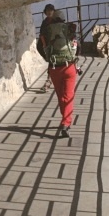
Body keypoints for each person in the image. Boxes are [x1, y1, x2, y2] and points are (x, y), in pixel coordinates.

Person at [40, 9, 78, 139]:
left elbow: (41, 47)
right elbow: (76, 45)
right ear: (63, 19)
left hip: (54, 68)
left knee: (61, 95)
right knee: (69, 95)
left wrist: (49, 59)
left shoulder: (46, 31)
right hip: (69, 66)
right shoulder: (69, 28)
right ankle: (66, 123)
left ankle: (64, 119)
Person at [37, 4, 55, 92]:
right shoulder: (45, 22)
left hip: (55, 44)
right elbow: (42, 35)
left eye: (51, 10)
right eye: (48, 10)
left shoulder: (56, 20)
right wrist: (45, 45)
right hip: (50, 44)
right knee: (51, 61)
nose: (49, 12)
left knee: (52, 61)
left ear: (53, 11)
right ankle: (50, 80)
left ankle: (49, 80)